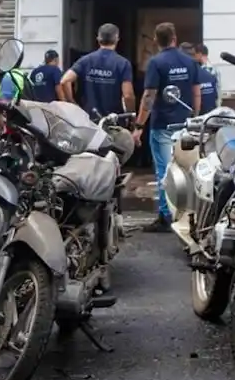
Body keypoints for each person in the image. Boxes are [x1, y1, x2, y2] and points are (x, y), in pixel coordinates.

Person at [136, 22, 201, 232]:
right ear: (174, 37)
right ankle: (190, 214)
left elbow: (149, 96)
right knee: (188, 170)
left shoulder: (156, 62)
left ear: (156, 40)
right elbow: (196, 92)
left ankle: (166, 216)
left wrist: (139, 125)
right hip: (185, 124)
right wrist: (195, 118)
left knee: (164, 171)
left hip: (162, 124)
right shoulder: (190, 62)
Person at [60, 23, 134, 117]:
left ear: (98, 39)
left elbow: (64, 81)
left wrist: (72, 103)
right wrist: (130, 115)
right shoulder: (123, 63)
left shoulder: (85, 60)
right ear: (117, 39)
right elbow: (128, 96)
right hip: (113, 121)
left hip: (87, 120)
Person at [192, 43, 219, 115]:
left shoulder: (205, 70)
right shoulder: (215, 69)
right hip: (213, 107)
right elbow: (218, 90)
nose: (194, 57)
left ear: (199, 54)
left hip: (204, 107)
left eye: (195, 55)